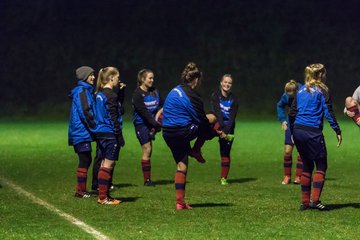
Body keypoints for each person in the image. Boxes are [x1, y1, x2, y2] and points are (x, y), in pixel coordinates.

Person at [289, 63, 342, 211]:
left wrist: (293, 132)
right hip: (312, 132)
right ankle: (315, 201)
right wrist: (337, 130)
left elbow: (292, 113)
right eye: (323, 74)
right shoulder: (322, 91)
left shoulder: (300, 91)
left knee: (306, 165)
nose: (325, 76)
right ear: (320, 75)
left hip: (299, 131)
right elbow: (328, 112)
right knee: (321, 165)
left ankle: (305, 202)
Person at [162, 62, 213, 210]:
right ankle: (196, 150)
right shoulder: (192, 96)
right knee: (213, 118)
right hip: (182, 131)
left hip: (168, 133)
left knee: (182, 164)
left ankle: (180, 202)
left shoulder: (174, 90)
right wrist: (213, 133)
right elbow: (202, 122)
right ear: (196, 80)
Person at [94, 67, 125, 205]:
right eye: (117, 76)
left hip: (100, 132)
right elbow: (113, 116)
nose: (119, 79)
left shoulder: (100, 94)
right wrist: (119, 135)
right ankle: (103, 197)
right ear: (111, 77)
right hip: (109, 133)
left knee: (102, 163)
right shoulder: (110, 95)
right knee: (108, 164)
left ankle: (103, 195)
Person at [68, 66, 97, 198]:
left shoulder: (86, 90)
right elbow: (85, 112)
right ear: (85, 76)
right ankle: (80, 191)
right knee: (85, 159)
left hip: (83, 131)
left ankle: (81, 190)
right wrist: (95, 127)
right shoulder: (82, 91)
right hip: (81, 132)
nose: (93, 77)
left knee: (86, 158)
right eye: (91, 75)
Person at [132, 69, 162, 186]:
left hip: (152, 124)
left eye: (153, 78)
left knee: (149, 150)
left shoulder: (155, 91)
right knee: (147, 149)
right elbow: (143, 113)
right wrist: (157, 124)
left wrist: (160, 117)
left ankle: (148, 179)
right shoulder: (137, 94)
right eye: (150, 78)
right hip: (142, 124)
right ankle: (147, 180)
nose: (152, 80)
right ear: (142, 79)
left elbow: (162, 105)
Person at [210, 74, 239, 185]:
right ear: (221, 83)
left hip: (228, 128)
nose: (227, 84)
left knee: (225, 153)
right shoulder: (215, 96)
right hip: (218, 125)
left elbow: (232, 118)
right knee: (205, 127)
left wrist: (226, 132)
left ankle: (224, 178)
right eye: (225, 82)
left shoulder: (234, 99)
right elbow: (217, 113)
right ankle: (196, 150)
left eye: (229, 83)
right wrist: (221, 130)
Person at [277, 80, 303, 185]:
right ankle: (287, 176)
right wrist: (282, 120)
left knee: (301, 152)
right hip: (290, 124)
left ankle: (299, 176)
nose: (289, 96)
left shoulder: (303, 93)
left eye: (292, 95)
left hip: (302, 123)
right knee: (287, 151)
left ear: (296, 91)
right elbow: (279, 105)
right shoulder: (286, 95)